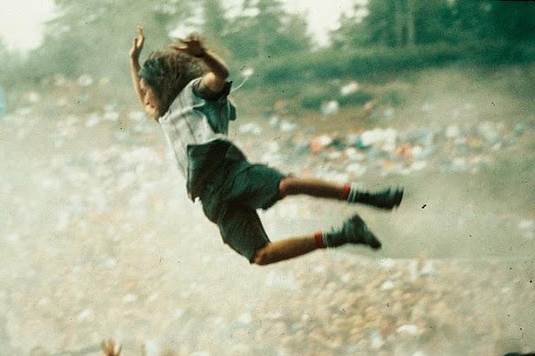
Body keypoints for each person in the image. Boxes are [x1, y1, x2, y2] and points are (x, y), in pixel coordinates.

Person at [129, 26, 403, 266]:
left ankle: (368, 197)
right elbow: (144, 98)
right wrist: (133, 60)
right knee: (261, 256)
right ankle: (343, 234)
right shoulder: (162, 115)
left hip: (226, 171)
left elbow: (221, 75)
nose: (144, 95)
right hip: (210, 197)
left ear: (160, 85)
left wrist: (203, 55)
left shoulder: (193, 94)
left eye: (146, 87)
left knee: (286, 186)